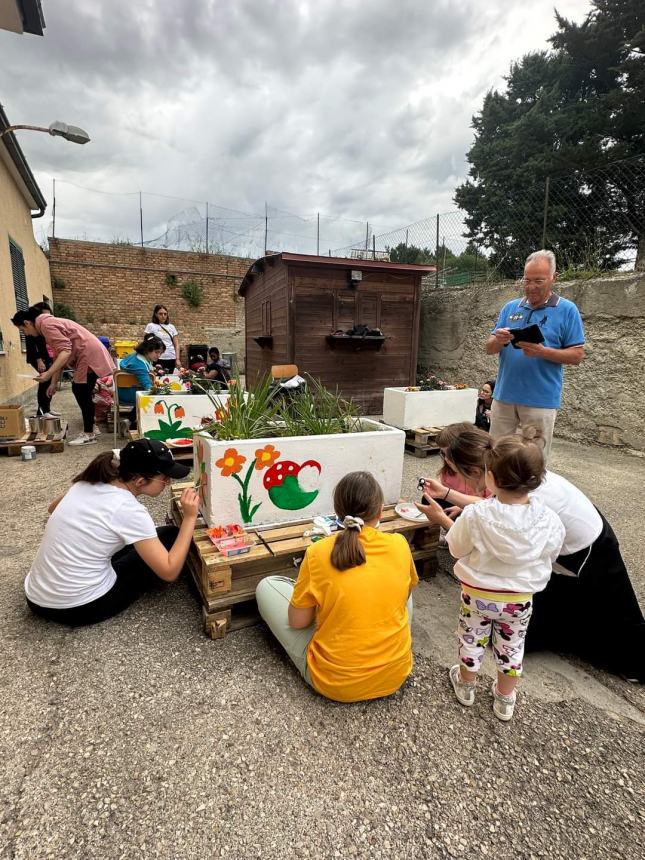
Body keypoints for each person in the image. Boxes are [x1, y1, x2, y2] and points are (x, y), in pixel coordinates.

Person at [418, 424, 645, 682]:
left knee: (615, 621)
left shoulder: (527, 501)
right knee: (527, 629)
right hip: (558, 546)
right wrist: (453, 498)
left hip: (589, 548)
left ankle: (636, 666)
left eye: (459, 473)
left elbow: (494, 534)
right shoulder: (512, 469)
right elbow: (498, 507)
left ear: (482, 473)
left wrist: (448, 519)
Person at [424, 437, 565, 720]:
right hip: (519, 600)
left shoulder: (477, 514)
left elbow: (457, 547)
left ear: (490, 477)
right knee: (512, 645)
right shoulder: (549, 519)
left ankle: (466, 686)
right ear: (538, 480)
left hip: (478, 595)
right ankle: (504, 699)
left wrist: (441, 519)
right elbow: (551, 552)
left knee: (472, 636)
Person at [256, 471, 419, 702]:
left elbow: (298, 622)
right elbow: (404, 598)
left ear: (338, 514)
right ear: (381, 510)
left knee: (267, 586)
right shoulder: (399, 544)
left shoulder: (318, 552)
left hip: (336, 683)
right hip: (395, 676)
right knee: (404, 589)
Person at [25, 439, 197, 627]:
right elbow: (169, 571)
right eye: (164, 478)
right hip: (77, 607)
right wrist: (189, 517)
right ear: (140, 481)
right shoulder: (129, 510)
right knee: (171, 537)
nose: (168, 482)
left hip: (36, 597)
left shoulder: (88, 482)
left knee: (158, 535)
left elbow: (53, 508)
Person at [485, 250, 585, 460]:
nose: (531, 286)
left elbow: (577, 355)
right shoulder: (510, 307)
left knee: (533, 463)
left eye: (538, 281)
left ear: (554, 278)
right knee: (495, 457)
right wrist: (499, 340)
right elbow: (489, 348)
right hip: (503, 397)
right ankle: (495, 494)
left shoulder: (567, 310)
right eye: (527, 280)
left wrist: (542, 351)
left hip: (540, 401)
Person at [19, 306, 115, 446]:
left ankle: (89, 434)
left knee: (81, 391)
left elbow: (64, 351)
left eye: (23, 330)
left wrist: (48, 374)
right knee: (82, 391)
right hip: (88, 352)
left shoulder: (46, 325)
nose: (26, 334)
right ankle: (91, 429)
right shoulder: (48, 323)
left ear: (27, 323)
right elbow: (59, 355)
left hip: (87, 354)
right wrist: (53, 382)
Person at [10, 307, 59, 418]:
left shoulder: (38, 325)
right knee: (44, 382)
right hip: (38, 358)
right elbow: (32, 345)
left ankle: (47, 409)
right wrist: (39, 360)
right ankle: (42, 411)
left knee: (49, 381)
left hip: (45, 356)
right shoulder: (29, 328)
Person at [118, 334, 165, 431]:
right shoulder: (139, 365)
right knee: (154, 397)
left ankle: (130, 420)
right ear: (147, 350)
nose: (159, 355)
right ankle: (138, 425)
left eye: (160, 353)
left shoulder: (135, 356)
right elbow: (147, 387)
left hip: (123, 390)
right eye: (156, 352)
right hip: (129, 393)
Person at [145, 305, 179, 373]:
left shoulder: (171, 327)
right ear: (155, 314)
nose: (163, 316)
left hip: (170, 357)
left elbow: (176, 344)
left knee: (169, 379)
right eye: (160, 314)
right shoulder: (151, 326)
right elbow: (147, 343)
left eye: (165, 314)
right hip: (157, 358)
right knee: (156, 378)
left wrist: (177, 359)